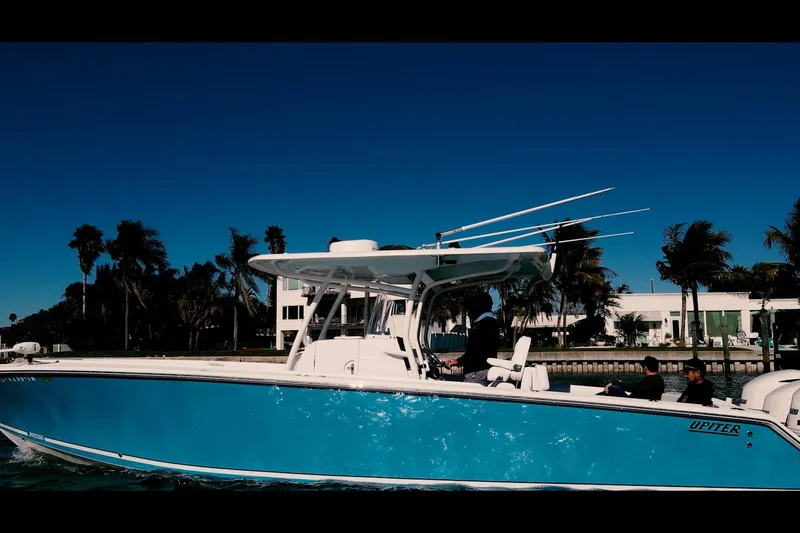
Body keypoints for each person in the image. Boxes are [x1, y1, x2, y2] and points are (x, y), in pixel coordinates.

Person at [444, 291, 499, 385]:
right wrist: (458, 361)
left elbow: (475, 352)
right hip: (481, 370)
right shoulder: (491, 323)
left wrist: (459, 361)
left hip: (476, 372)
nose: (469, 311)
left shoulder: (482, 326)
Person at [598, 355, 665, 401]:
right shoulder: (658, 379)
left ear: (645, 368)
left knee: (614, 388)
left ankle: (597, 398)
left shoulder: (652, 381)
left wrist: (615, 383)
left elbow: (634, 387)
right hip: (638, 401)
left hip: (639, 403)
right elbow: (636, 386)